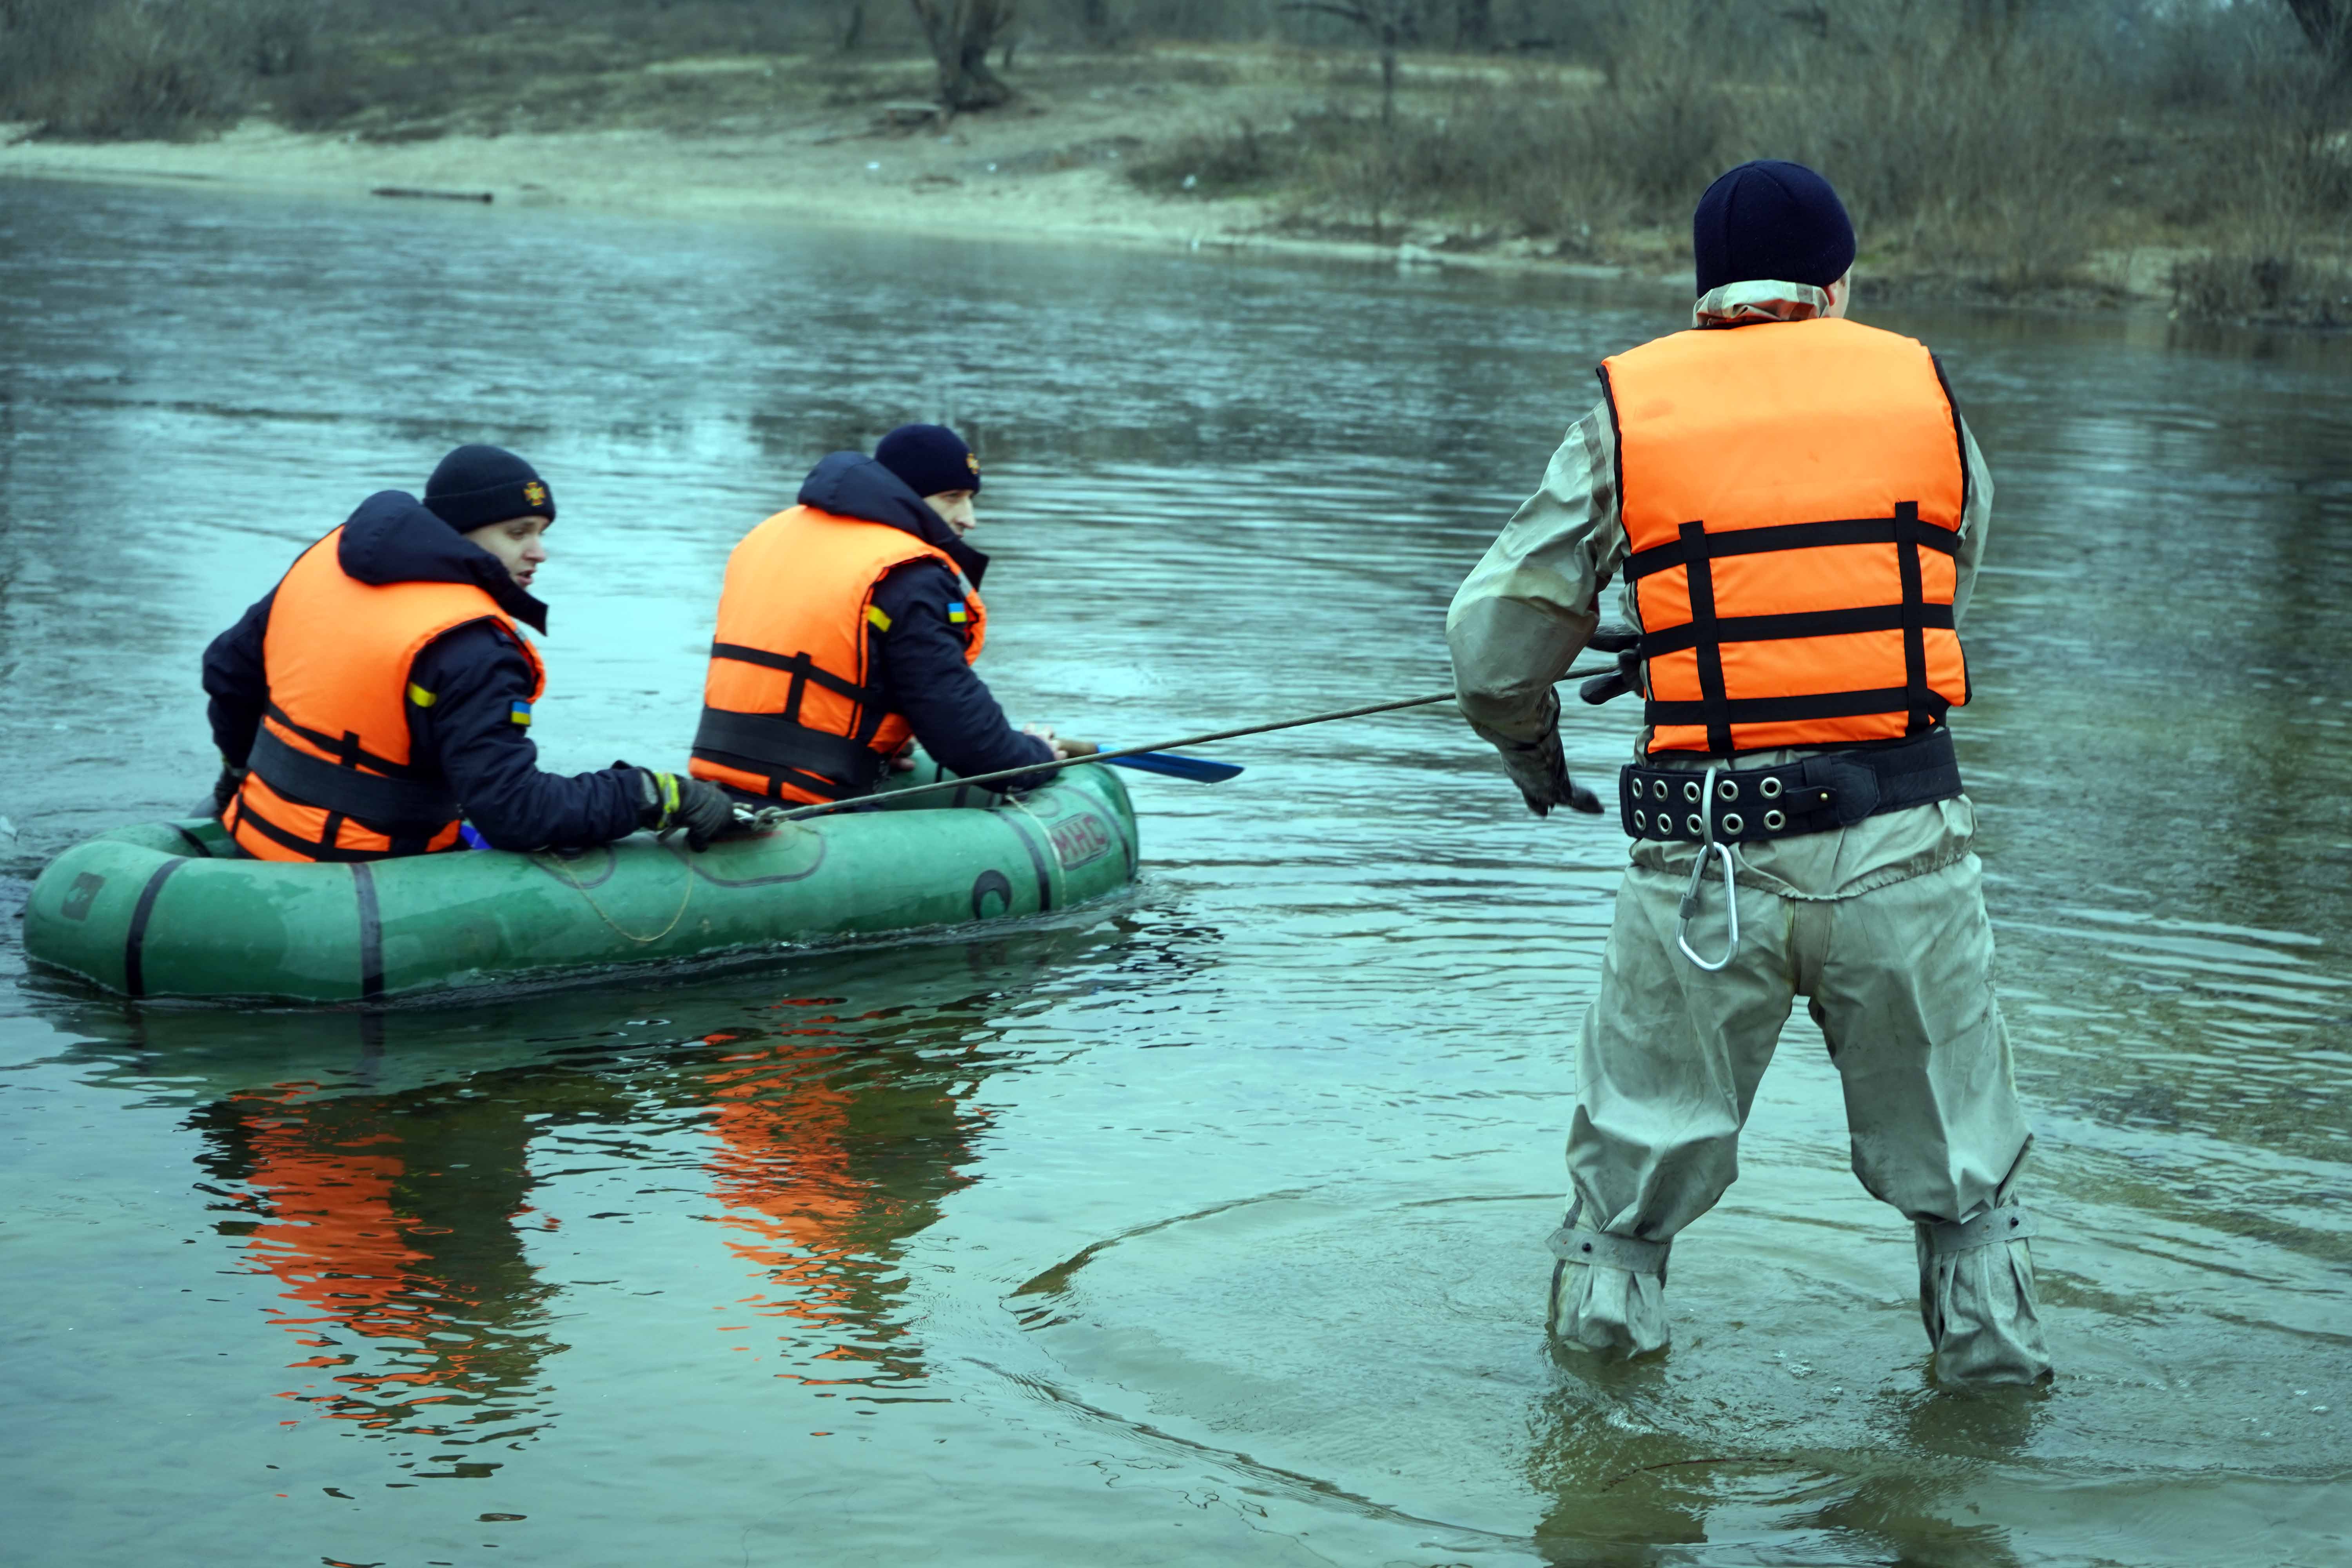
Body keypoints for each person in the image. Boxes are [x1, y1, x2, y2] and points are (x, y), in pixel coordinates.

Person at [1445, 160, 2049, 1385]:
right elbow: (1936, 583)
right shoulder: (1921, 387)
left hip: (1704, 864)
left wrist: (1534, 743)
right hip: (1904, 851)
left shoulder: (1631, 408)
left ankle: (1602, 1477)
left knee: (1623, 1207)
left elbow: (1490, 641)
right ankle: (1981, 1459)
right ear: (1837, 283)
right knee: (1964, 1191)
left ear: (1704, 290)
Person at [202, 445, 734, 862]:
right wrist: (656, 794)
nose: (539, 552)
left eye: (542, 533)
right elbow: (516, 812)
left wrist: (236, 773)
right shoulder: (470, 641)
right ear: (458, 534)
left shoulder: (328, 558)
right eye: (517, 532)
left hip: (259, 834)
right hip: (361, 874)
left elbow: (227, 669)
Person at [690, 423, 1083, 807]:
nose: (969, 518)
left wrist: (870, 742)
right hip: (815, 797)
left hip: (720, 780)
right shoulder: (910, 576)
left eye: (970, 498)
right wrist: (1035, 756)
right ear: (906, 495)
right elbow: (965, 737)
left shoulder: (772, 536)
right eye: (952, 497)